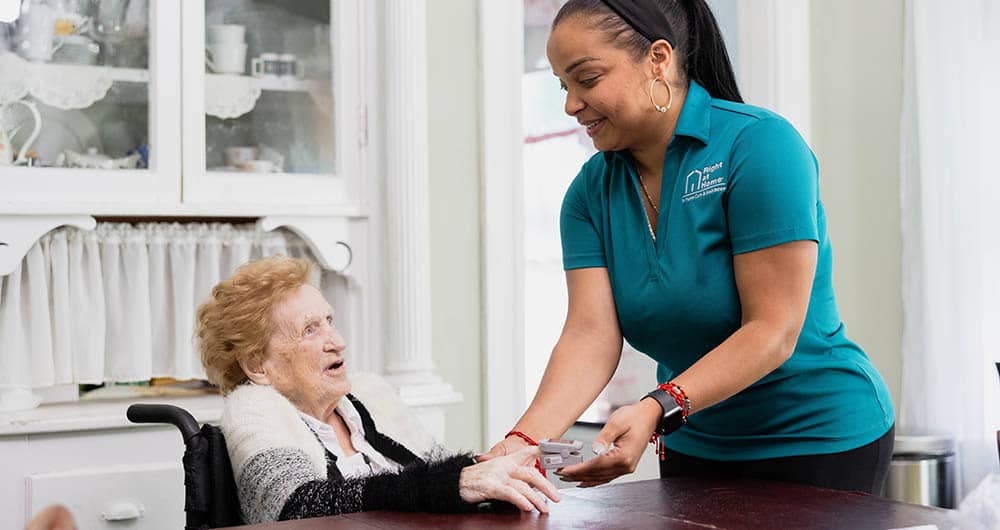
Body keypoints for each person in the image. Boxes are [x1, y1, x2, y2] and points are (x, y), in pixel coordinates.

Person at [482, 0, 895, 494]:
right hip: (695, 442)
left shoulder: (760, 145)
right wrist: (523, 439)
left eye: (587, 79)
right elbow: (590, 335)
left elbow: (772, 330)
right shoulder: (590, 192)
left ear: (658, 59)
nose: (571, 105)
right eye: (563, 87)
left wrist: (659, 406)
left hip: (816, 438)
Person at [197, 256, 559, 524]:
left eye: (330, 322)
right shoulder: (255, 410)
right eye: (310, 330)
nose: (337, 342)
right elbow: (295, 506)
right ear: (258, 364)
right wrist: (453, 482)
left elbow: (439, 477)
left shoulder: (371, 399)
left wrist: (490, 471)